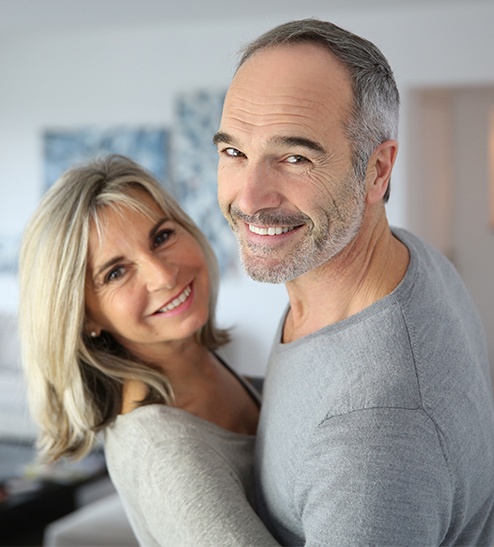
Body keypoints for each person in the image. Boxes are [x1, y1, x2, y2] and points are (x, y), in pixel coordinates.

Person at [214, 18, 494, 546]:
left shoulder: (375, 436)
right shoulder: (409, 256)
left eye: (294, 158)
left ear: (378, 171)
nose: (249, 197)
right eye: (234, 152)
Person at [18, 154, 278, 546]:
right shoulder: (165, 452)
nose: (163, 275)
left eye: (162, 237)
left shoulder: (203, 367)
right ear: (85, 317)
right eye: (116, 272)